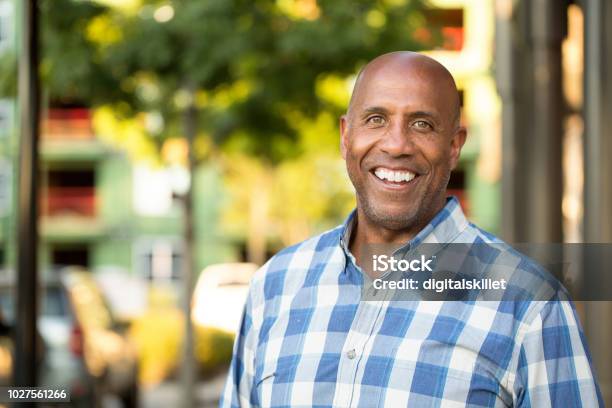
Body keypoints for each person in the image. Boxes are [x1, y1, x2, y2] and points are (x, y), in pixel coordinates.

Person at [220, 52, 602, 407]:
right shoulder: (275, 286)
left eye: (422, 124)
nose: (397, 144)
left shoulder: (529, 303)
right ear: (345, 136)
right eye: (376, 119)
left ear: (454, 146)